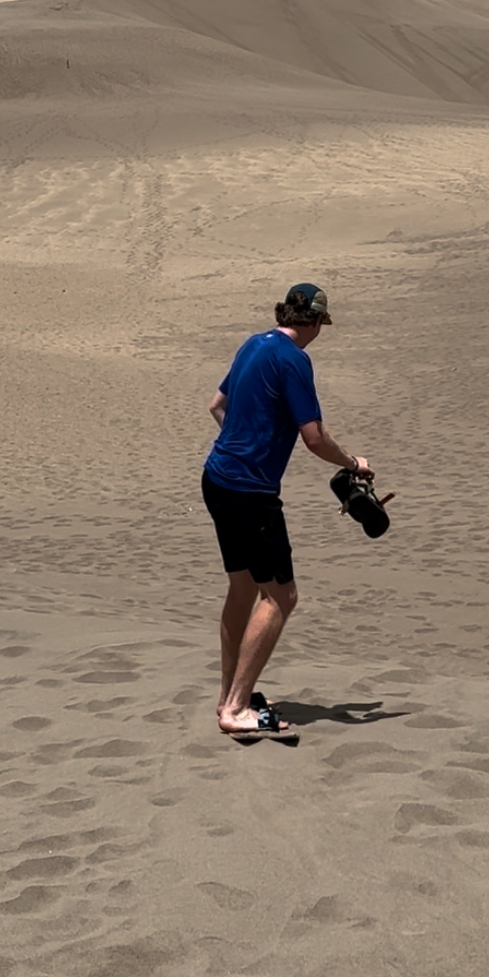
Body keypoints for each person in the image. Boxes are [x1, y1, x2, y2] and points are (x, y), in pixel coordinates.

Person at [202, 280, 374, 739]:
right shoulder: (294, 360)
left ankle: (228, 695)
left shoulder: (254, 343)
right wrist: (353, 463)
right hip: (250, 492)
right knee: (280, 596)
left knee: (242, 588)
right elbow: (314, 437)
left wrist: (245, 442)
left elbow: (218, 406)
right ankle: (236, 708)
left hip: (217, 479)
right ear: (316, 321)